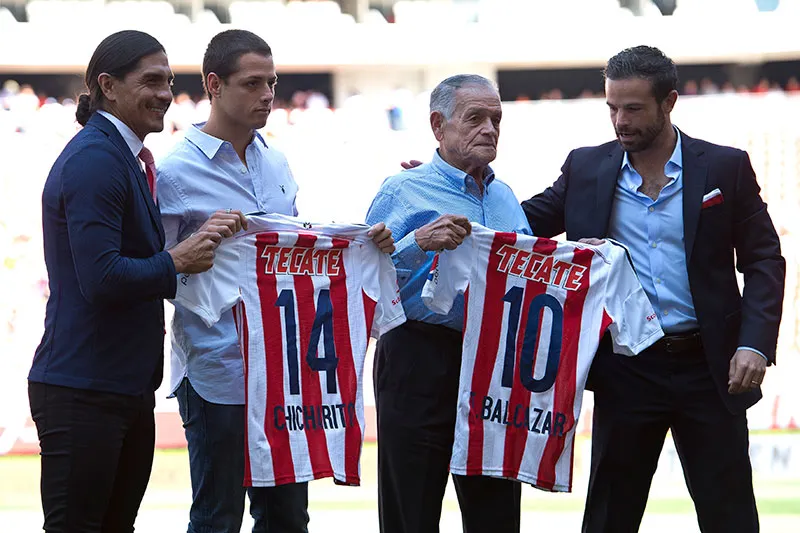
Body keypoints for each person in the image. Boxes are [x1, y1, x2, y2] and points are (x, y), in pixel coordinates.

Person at [521, 45, 786, 532]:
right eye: (612, 108)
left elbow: (764, 258)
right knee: (608, 517)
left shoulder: (725, 168)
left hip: (711, 370)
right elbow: (518, 225)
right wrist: (447, 184)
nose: (619, 121)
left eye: (634, 108)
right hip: (627, 368)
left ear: (669, 103)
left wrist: (754, 344)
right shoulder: (585, 168)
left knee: (730, 515)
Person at [157, 29, 394, 533]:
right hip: (217, 368)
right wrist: (197, 253)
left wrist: (359, 244)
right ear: (214, 84)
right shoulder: (175, 174)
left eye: (273, 82)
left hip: (286, 376)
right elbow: (157, 273)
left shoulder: (278, 162)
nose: (268, 94)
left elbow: (294, 257)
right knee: (217, 517)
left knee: (288, 517)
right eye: (253, 83)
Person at [27, 30, 233, 533]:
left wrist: (183, 253)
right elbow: (101, 278)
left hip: (116, 383)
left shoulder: (123, 157)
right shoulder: (98, 159)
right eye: (151, 80)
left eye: (169, 80)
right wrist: (176, 261)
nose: (166, 92)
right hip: (86, 387)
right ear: (108, 86)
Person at [365, 74, 527, 533]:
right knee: (410, 511)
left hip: (493, 364)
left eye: (496, 119)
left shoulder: (506, 198)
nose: (490, 129)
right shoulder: (401, 190)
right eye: (476, 118)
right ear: (439, 125)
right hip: (418, 356)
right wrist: (417, 242)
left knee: (496, 513)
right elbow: (364, 281)